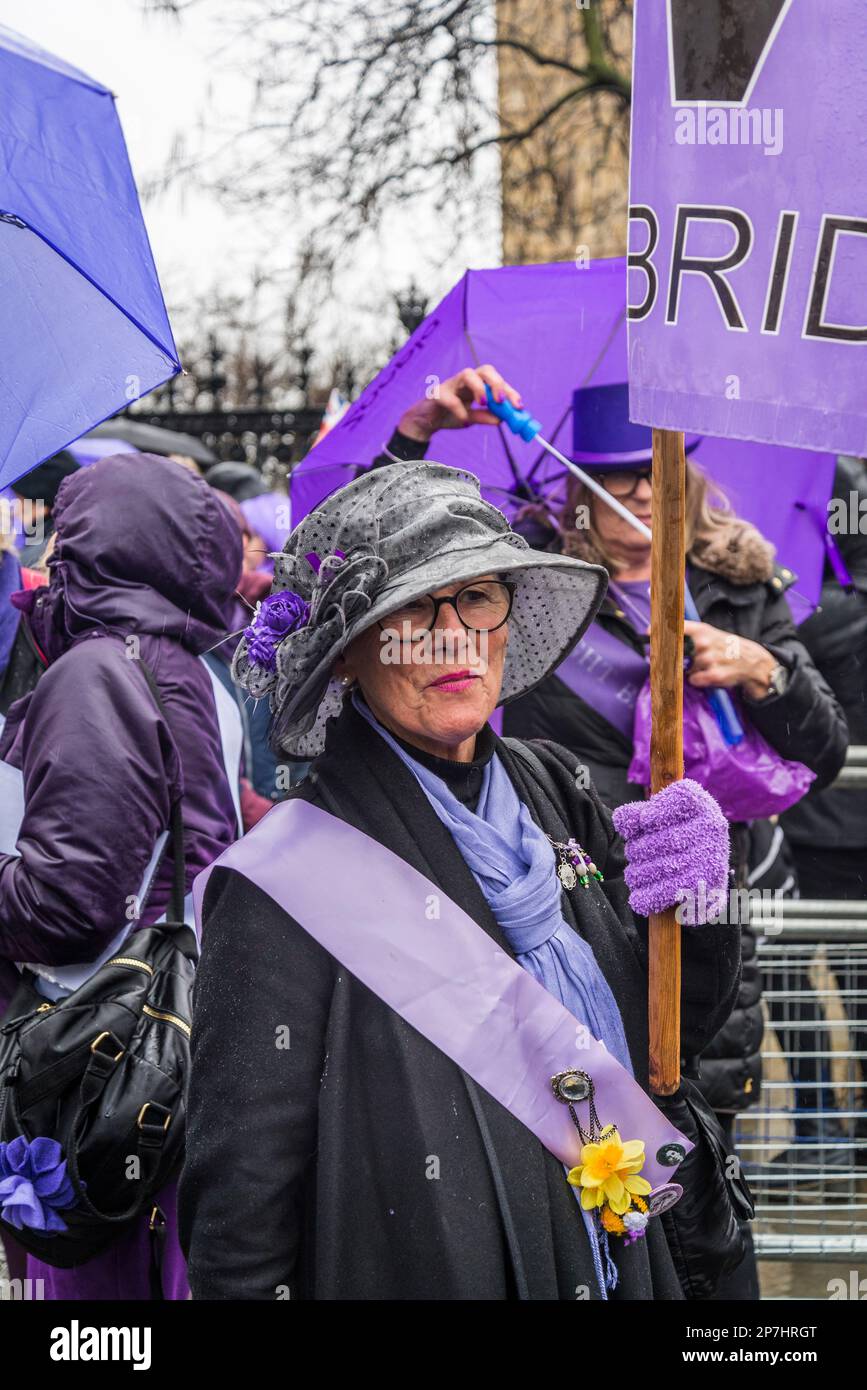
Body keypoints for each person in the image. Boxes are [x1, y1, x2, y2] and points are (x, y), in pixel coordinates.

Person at [180, 460, 743, 1301]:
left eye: (477, 596)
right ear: (345, 657)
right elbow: (243, 1203)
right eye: (411, 607)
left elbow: (669, 1048)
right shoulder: (281, 883)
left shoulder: (559, 791)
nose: (452, 636)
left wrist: (698, 913)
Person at [366, 370, 849, 1299]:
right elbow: (380, 566)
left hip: (699, 924)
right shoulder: (531, 582)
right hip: (569, 911)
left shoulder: (738, 585)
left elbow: (820, 752)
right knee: (577, 1178)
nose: (629, 504)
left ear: (681, 484)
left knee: (698, 1186)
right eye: (609, 483)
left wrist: (756, 670)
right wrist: (418, 425)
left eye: (648, 483)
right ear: (572, 486)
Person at [0, 453, 244, 1299]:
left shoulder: (97, 670)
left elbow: (62, 909)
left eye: (64, 535)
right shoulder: (198, 670)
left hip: (92, 1056)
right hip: (177, 1044)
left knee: (96, 1310)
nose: (46, 551)